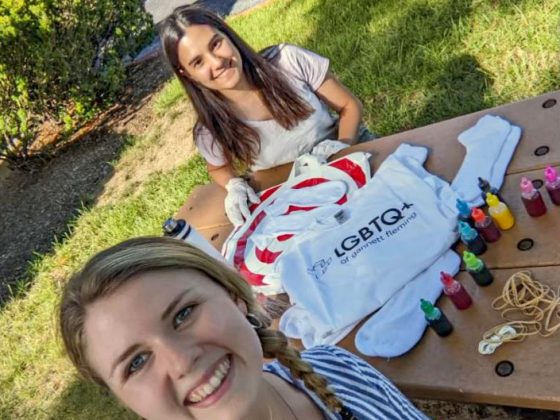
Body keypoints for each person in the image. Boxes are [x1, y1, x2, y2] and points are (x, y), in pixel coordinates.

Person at [59, 236, 427, 419]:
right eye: (136, 363)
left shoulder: (335, 368)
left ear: (235, 298)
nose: (182, 362)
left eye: (183, 314)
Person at [159, 6, 375, 226]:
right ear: (187, 74)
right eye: (198, 62)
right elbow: (218, 167)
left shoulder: (288, 62)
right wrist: (233, 185)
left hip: (354, 157)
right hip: (294, 193)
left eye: (216, 44)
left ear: (228, 35)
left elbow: (349, 105)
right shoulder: (209, 129)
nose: (216, 62)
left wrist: (342, 146)